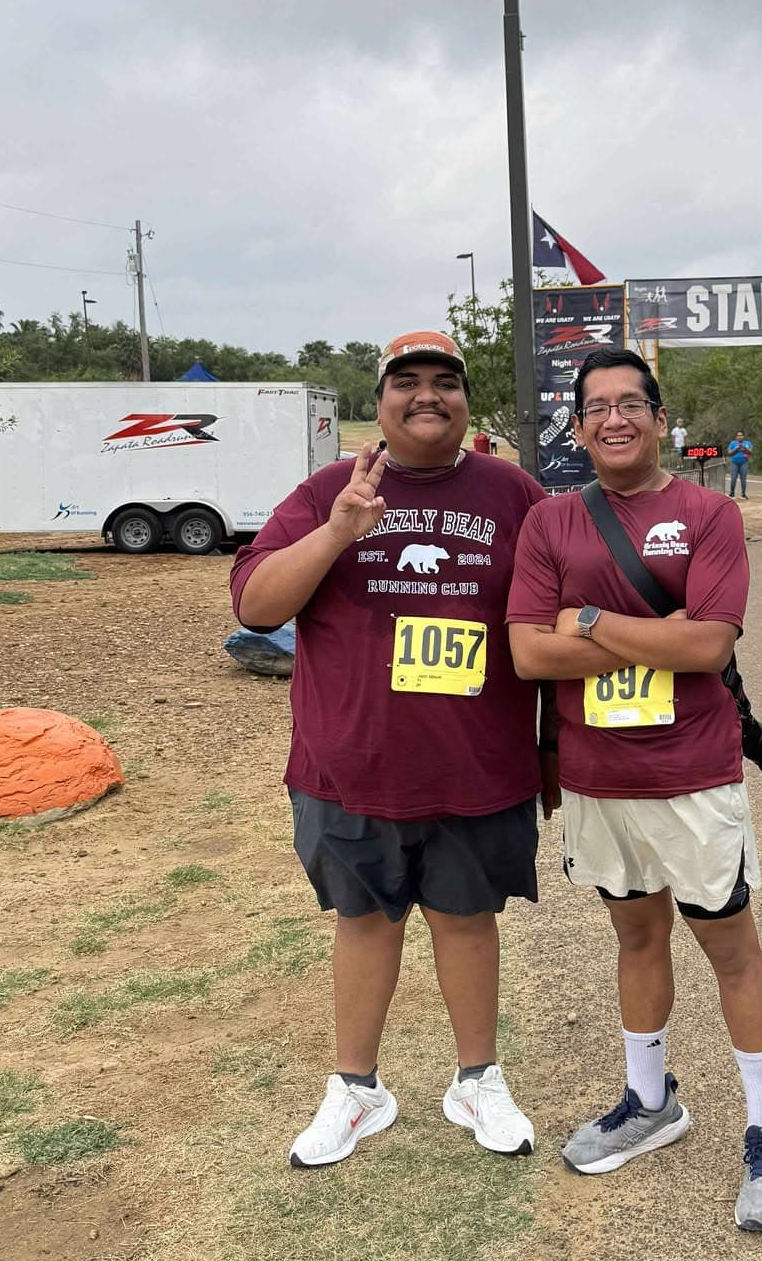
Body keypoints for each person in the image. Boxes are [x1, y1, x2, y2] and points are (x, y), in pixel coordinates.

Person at [230, 329, 555, 1171]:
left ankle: (476, 1079)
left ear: (464, 399)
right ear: (378, 402)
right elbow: (259, 606)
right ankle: (356, 1090)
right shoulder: (331, 489)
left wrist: (555, 754)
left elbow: (557, 615)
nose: (427, 396)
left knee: (467, 920)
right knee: (365, 920)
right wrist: (338, 532)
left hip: (478, 761)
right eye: (406, 382)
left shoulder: (513, 493)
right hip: (353, 761)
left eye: (444, 381)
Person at [506, 348, 762, 1234]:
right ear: (578, 425)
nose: (613, 419)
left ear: (660, 417)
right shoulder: (551, 524)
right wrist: (653, 633)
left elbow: (710, 647)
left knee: (729, 947)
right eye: (594, 407)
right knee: (636, 937)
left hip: (692, 775)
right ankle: (650, 1102)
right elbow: (528, 654)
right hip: (599, 779)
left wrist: (590, 621)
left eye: (629, 402)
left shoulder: (708, 514)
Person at [726, 431, 753, 498]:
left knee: (743, 479)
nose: (739, 437)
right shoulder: (733, 443)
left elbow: (751, 452)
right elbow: (729, 453)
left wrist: (745, 449)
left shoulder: (747, 443)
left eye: (741, 435)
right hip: (734, 463)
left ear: (743, 436)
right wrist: (736, 449)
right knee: (733, 479)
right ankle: (732, 494)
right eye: (738, 435)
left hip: (744, 462)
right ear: (736, 437)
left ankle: (743, 494)